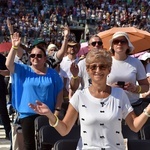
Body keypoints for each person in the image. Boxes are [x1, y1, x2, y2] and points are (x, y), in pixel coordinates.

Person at [29, 49, 150, 150]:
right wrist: (50, 115)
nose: (98, 70)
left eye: (102, 66)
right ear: (88, 70)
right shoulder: (80, 96)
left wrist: (148, 109)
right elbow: (64, 129)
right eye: (93, 67)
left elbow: (134, 126)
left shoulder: (120, 94)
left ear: (109, 69)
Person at [5, 32, 63, 150]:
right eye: (32, 56)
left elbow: (60, 92)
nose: (35, 58)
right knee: (29, 145)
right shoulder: (23, 70)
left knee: (46, 144)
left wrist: (57, 110)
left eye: (39, 56)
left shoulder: (52, 74)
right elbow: (8, 64)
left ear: (45, 58)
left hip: (48, 113)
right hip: (27, 113)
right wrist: (14, 47)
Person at [106, 31, 149, 107]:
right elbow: (97, 86)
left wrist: (135, 88)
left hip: (132, 105)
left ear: (128, 45)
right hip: (110, 105)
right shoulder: (106, 62)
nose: (119, 44)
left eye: (123, 41)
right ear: (112, 46)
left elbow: (146, 87)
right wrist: (110, 88)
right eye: (116, 41)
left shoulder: (136, 62)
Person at [0, 53, 11, 140]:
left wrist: (0, 71)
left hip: (0, 89)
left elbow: (8, 72)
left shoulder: (2, 58)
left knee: (3, 111)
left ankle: (8, 132)